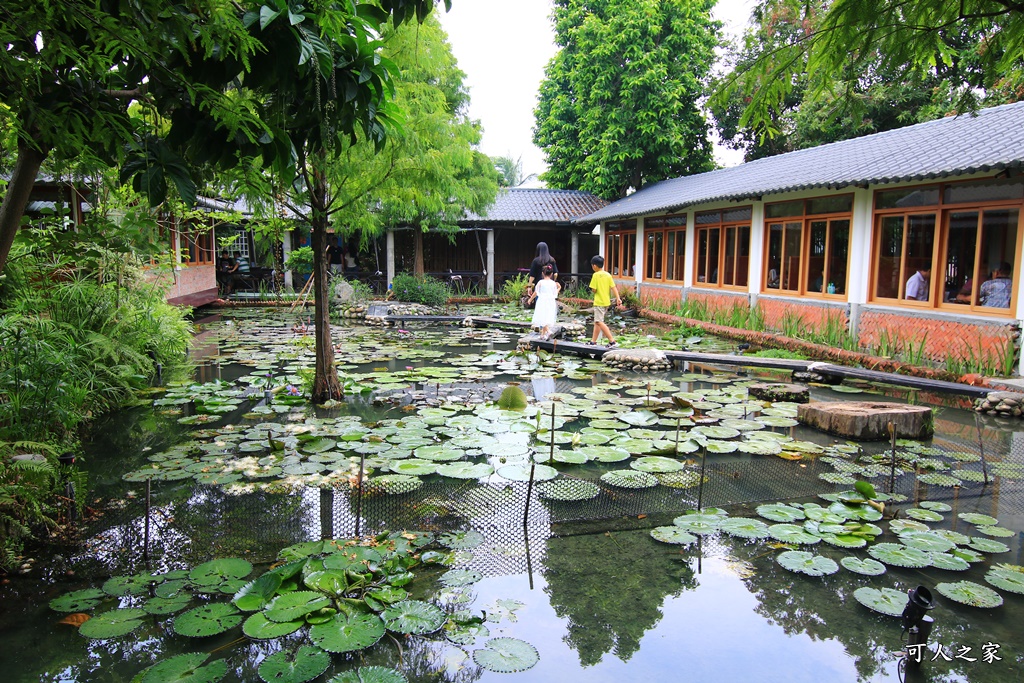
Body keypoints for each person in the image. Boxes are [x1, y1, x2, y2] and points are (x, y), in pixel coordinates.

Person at [588, 254, 621, 348]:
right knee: (597, 322)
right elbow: (613, 287)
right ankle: (593, 342)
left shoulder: (595, 275)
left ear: (594, 265)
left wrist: (595, 290)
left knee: (599, 322)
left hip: (599, 302)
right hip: (606, 302)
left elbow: (593, 289)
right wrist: (618, 298)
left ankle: (612, 341)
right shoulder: (608, 275)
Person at [528, 264, 560, 339]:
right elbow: (555, 294)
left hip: (542, 301)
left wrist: (530, 299)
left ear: (542, 273)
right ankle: (542, 334)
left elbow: (536, 292)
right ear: (551, 274)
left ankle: (548, 331)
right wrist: (559, 288)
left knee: (542, 317)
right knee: (547, 317)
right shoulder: (553, 283)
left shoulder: (540, 282)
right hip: (550, 301)